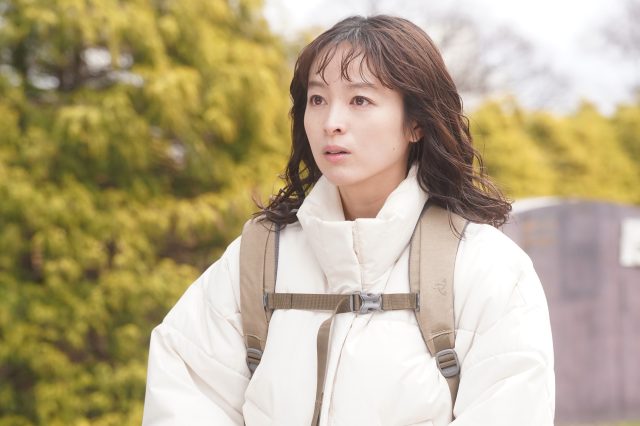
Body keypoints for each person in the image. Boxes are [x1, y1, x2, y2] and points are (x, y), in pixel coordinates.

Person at [142, 15, 555, 426]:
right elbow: (185, 390)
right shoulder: (259, 259)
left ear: (416, 123)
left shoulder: (487, 268)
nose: (331, 122)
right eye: (317, 99)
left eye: (359, 100)